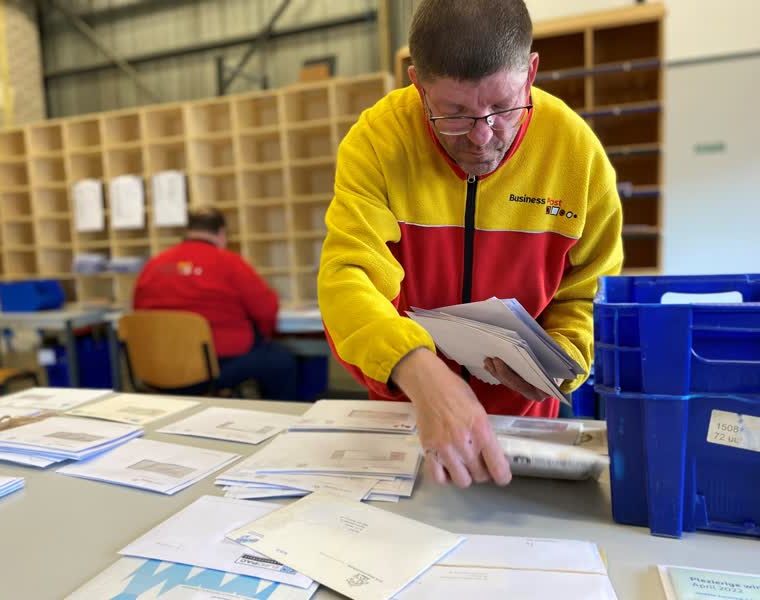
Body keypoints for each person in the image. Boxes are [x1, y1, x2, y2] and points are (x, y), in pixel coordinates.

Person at [317, 0, 623, 488]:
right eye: (454, 113)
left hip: (525, 429)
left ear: (531, 72)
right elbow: (348, 278)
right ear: (418, 85)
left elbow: (591, 290)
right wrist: (420, 372)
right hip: (410, 415)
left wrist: (562, 358)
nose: (482, 137)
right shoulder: (378, 140)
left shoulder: (576, 153)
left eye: (503, 107)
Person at [133, 206, 298, 399]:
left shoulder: (154, 265)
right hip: (210, 371)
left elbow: (137, 310)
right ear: (221, 233)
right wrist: (263, 336)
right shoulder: (230, 263)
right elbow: (266, 310)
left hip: (157, 368)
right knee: (280, 360)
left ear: (188, 231)